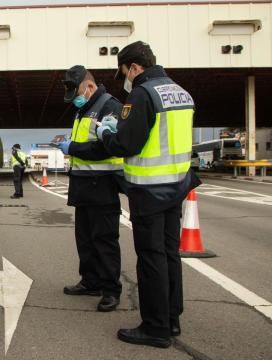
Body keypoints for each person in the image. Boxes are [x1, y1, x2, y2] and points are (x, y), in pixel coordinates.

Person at [96, 41, 201, 348]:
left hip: (150, 191)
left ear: (135, 67)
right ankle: (172, 319)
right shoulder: (181, 92)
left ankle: (155, 328)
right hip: (176, 186)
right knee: (170, 255)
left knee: (151, 258)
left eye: (124, 72)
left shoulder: (142, 94)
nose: (125, 79)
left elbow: (126, 144)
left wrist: (106, 133)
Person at [56, 65, 124, 312]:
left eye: (77, 93)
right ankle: (90, 281)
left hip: (103, 186)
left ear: (90, 86)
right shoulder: (84, 109)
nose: (75, 98)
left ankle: (110, 290)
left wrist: (72, 148)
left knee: (104, 240)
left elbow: (108, 147)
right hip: (84, 186)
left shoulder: (110, 107)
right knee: (84, 239)